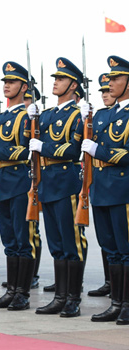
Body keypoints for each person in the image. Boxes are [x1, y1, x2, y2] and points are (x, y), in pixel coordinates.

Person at [29, 57, 86, 318]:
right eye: (54, 78)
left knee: (71, 241)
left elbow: (72, 149)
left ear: (73, 86)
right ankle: (60, 296)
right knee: (56, 244)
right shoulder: (48, 114)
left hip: (66, 180)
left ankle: (73, 298)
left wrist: (45, 147)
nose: (55, 82)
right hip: (48, 182)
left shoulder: (78, 114)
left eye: (60, 79)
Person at [0, 61, 36, 311]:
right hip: (1, 182)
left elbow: (26, 151)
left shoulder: (28, 116)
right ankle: (12, 289)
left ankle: (22, 293)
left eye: (12, 82)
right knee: (9, 240)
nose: (6, 86)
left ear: (24, 86)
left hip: (19, 181)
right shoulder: (1, 117)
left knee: (23, 239)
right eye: (5, 82)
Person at [86, 56, 129, 324]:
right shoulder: (105, 114)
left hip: (123, 190)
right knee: (110, 248)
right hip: (101, 189)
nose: (110, 83)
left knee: (125, 250)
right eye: (110, 78)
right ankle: (116, 302)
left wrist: (99, 151)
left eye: (116, 78)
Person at [87, 73, 116, 298]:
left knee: (121, 244)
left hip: (117, 185)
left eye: (109, 90)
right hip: (99, 184)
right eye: (103, 92)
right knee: (106, 241)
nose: (106, 95)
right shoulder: (99, 116)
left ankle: (121, 294)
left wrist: (98, 151)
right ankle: (112, 285)